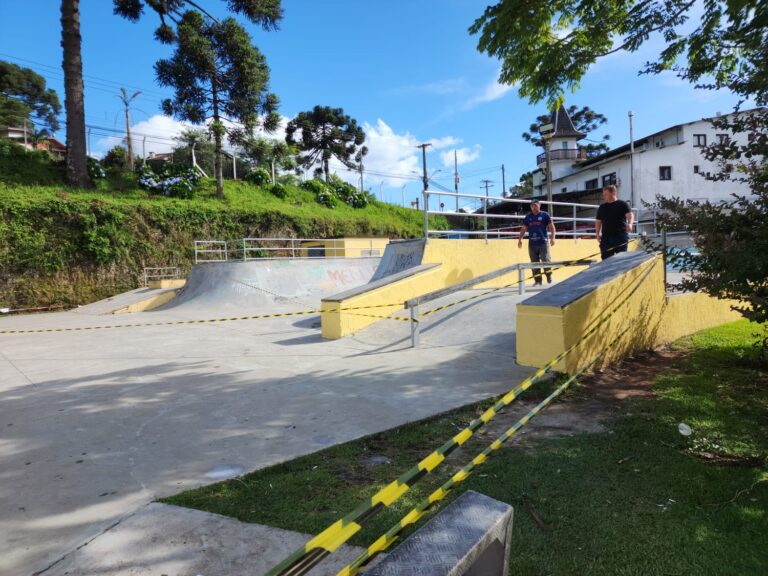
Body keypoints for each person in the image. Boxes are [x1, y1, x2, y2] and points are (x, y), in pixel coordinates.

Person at [518, 199, 556, 285]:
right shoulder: (528, 217)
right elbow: (524, 228)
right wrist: (520, 239)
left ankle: (549, 276)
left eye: (535, 205)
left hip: (543, 242)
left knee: (546, 260)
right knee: (534, 263)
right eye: (532, 206)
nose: (534, 207)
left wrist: (553, 238)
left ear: (539, 205)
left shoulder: (545, 215)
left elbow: (551, 227)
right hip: (532, 243)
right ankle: (538, 281)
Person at [595, 185, 634, 260]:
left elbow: (630, 215)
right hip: (606, 238)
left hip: (620, 236)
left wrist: (630, 224)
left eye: (606, 194)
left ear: (613, 193)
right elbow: (598, 221)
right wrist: (597, 233)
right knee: (606, 260)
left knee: (621, 260)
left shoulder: (622, 204)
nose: (604, 196)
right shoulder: (602, 207)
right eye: (603, 194)